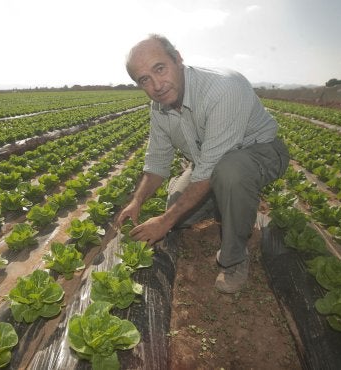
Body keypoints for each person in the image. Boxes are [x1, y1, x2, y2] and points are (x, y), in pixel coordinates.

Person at [117, 34, 289, 293]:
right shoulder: (159, 108)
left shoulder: (223, 89)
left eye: (160, 68)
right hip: (209, 165)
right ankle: (227, 204)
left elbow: (212, 168)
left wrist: (164, 221)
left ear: (178, 59)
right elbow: (157, 162)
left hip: (260, 153)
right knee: (177, 209)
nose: (157, 85)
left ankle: (235, 259)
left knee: (229, 173)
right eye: (145, 80)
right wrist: (137, 201)